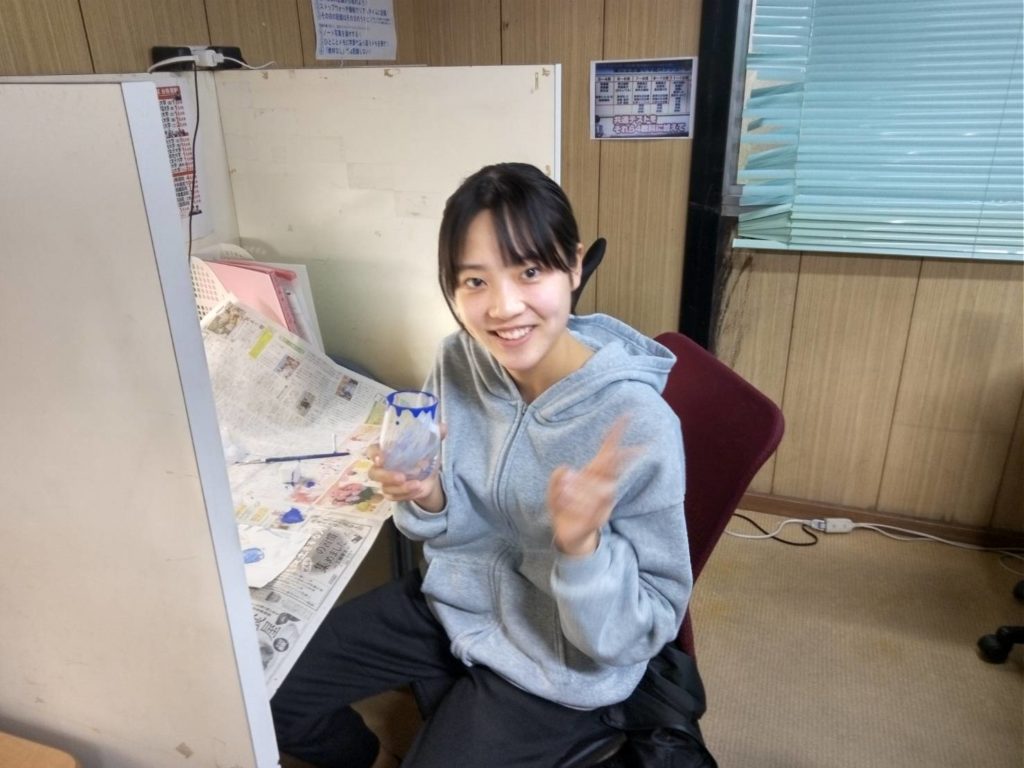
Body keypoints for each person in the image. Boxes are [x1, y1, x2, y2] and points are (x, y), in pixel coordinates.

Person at [271, 163, 692, 768]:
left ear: (574, 266)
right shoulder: (458, 361)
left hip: (560, 661)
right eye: (474, 280)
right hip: (454, 601)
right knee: (271, 688)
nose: (503, 307)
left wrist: (583, 552)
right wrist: (428, 493)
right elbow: (451, 524)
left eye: (530, 271)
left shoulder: (638, 421)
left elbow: (647, 627)